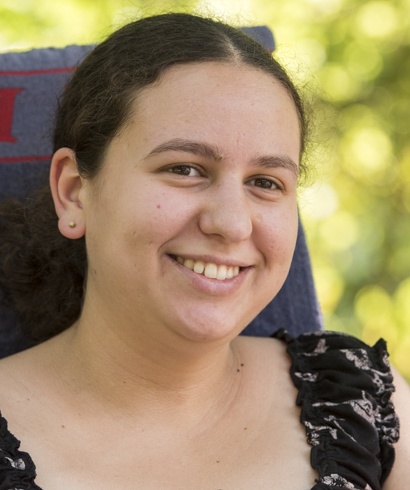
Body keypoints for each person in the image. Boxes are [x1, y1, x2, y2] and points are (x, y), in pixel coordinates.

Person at [0, 12, 409, 490]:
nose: (232, 223)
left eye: (265, 182)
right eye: (185, 169)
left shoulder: (364, 400)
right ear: (73, 192)